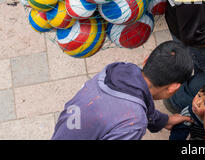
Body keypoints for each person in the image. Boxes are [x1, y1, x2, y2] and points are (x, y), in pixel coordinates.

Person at [51, 41, 194, 140]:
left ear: (146, 60)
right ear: (173, 88)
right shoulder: (134, 123)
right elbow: (130, 114)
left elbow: (134, 101)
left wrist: (163, 121)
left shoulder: (117, 71)